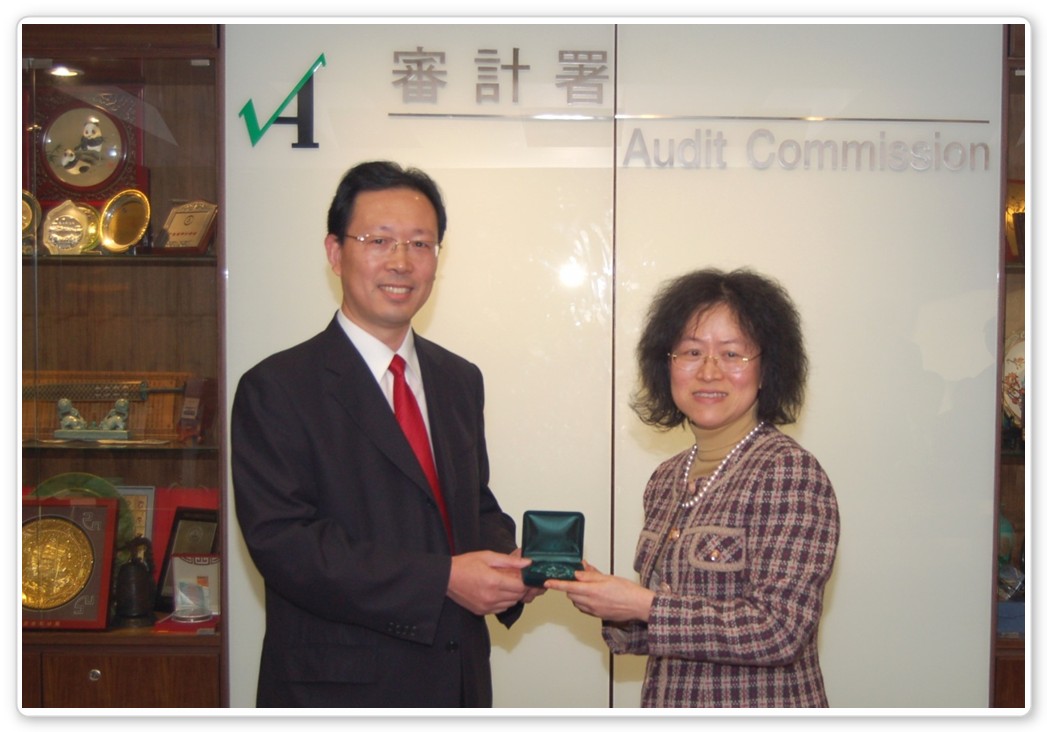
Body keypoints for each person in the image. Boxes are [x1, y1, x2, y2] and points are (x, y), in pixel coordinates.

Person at [231, 161, 540, 708]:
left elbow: (470, 504)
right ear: (334, 251)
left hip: (457, 679)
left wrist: (514, 565)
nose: (401, 262)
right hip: (340, 689)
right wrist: (442, 578)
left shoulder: (458, 379)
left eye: (421, 244)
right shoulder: (276, 387)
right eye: (379, 240)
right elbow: (286, 545)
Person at [546, 267, 839, 708]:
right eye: (690, 352)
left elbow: (780, 630)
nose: (708, 372)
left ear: (767, 368)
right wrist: (608, 601)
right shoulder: (667, 478)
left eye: (733, 354)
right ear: (666, 365)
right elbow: (674, 628)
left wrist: (643, 605)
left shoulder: (788, 472)